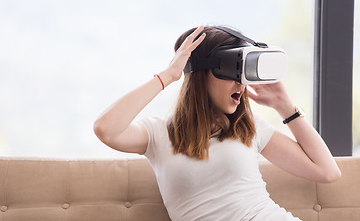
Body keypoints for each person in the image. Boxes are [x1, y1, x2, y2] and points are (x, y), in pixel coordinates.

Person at [93, 25, 341, 221]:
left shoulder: (248, 127)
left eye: (243, 74)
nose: (240, 84)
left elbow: (327, 172)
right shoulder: (158, 134)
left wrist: (284, 106)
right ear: (201, 74)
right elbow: (106, 129)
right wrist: (168, 76)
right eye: (233, 72)